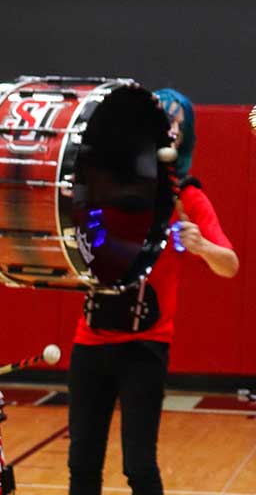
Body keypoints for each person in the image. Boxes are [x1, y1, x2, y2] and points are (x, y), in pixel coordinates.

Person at [67, 87, 239, 495]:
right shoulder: (100, 186)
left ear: (184, 136)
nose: (166, 128)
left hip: (145, 347)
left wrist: (201, 245)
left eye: (176, 122)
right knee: (81, 463)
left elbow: (229, 265)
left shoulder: (186, 195)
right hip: (89, 342)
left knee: (139, 466)